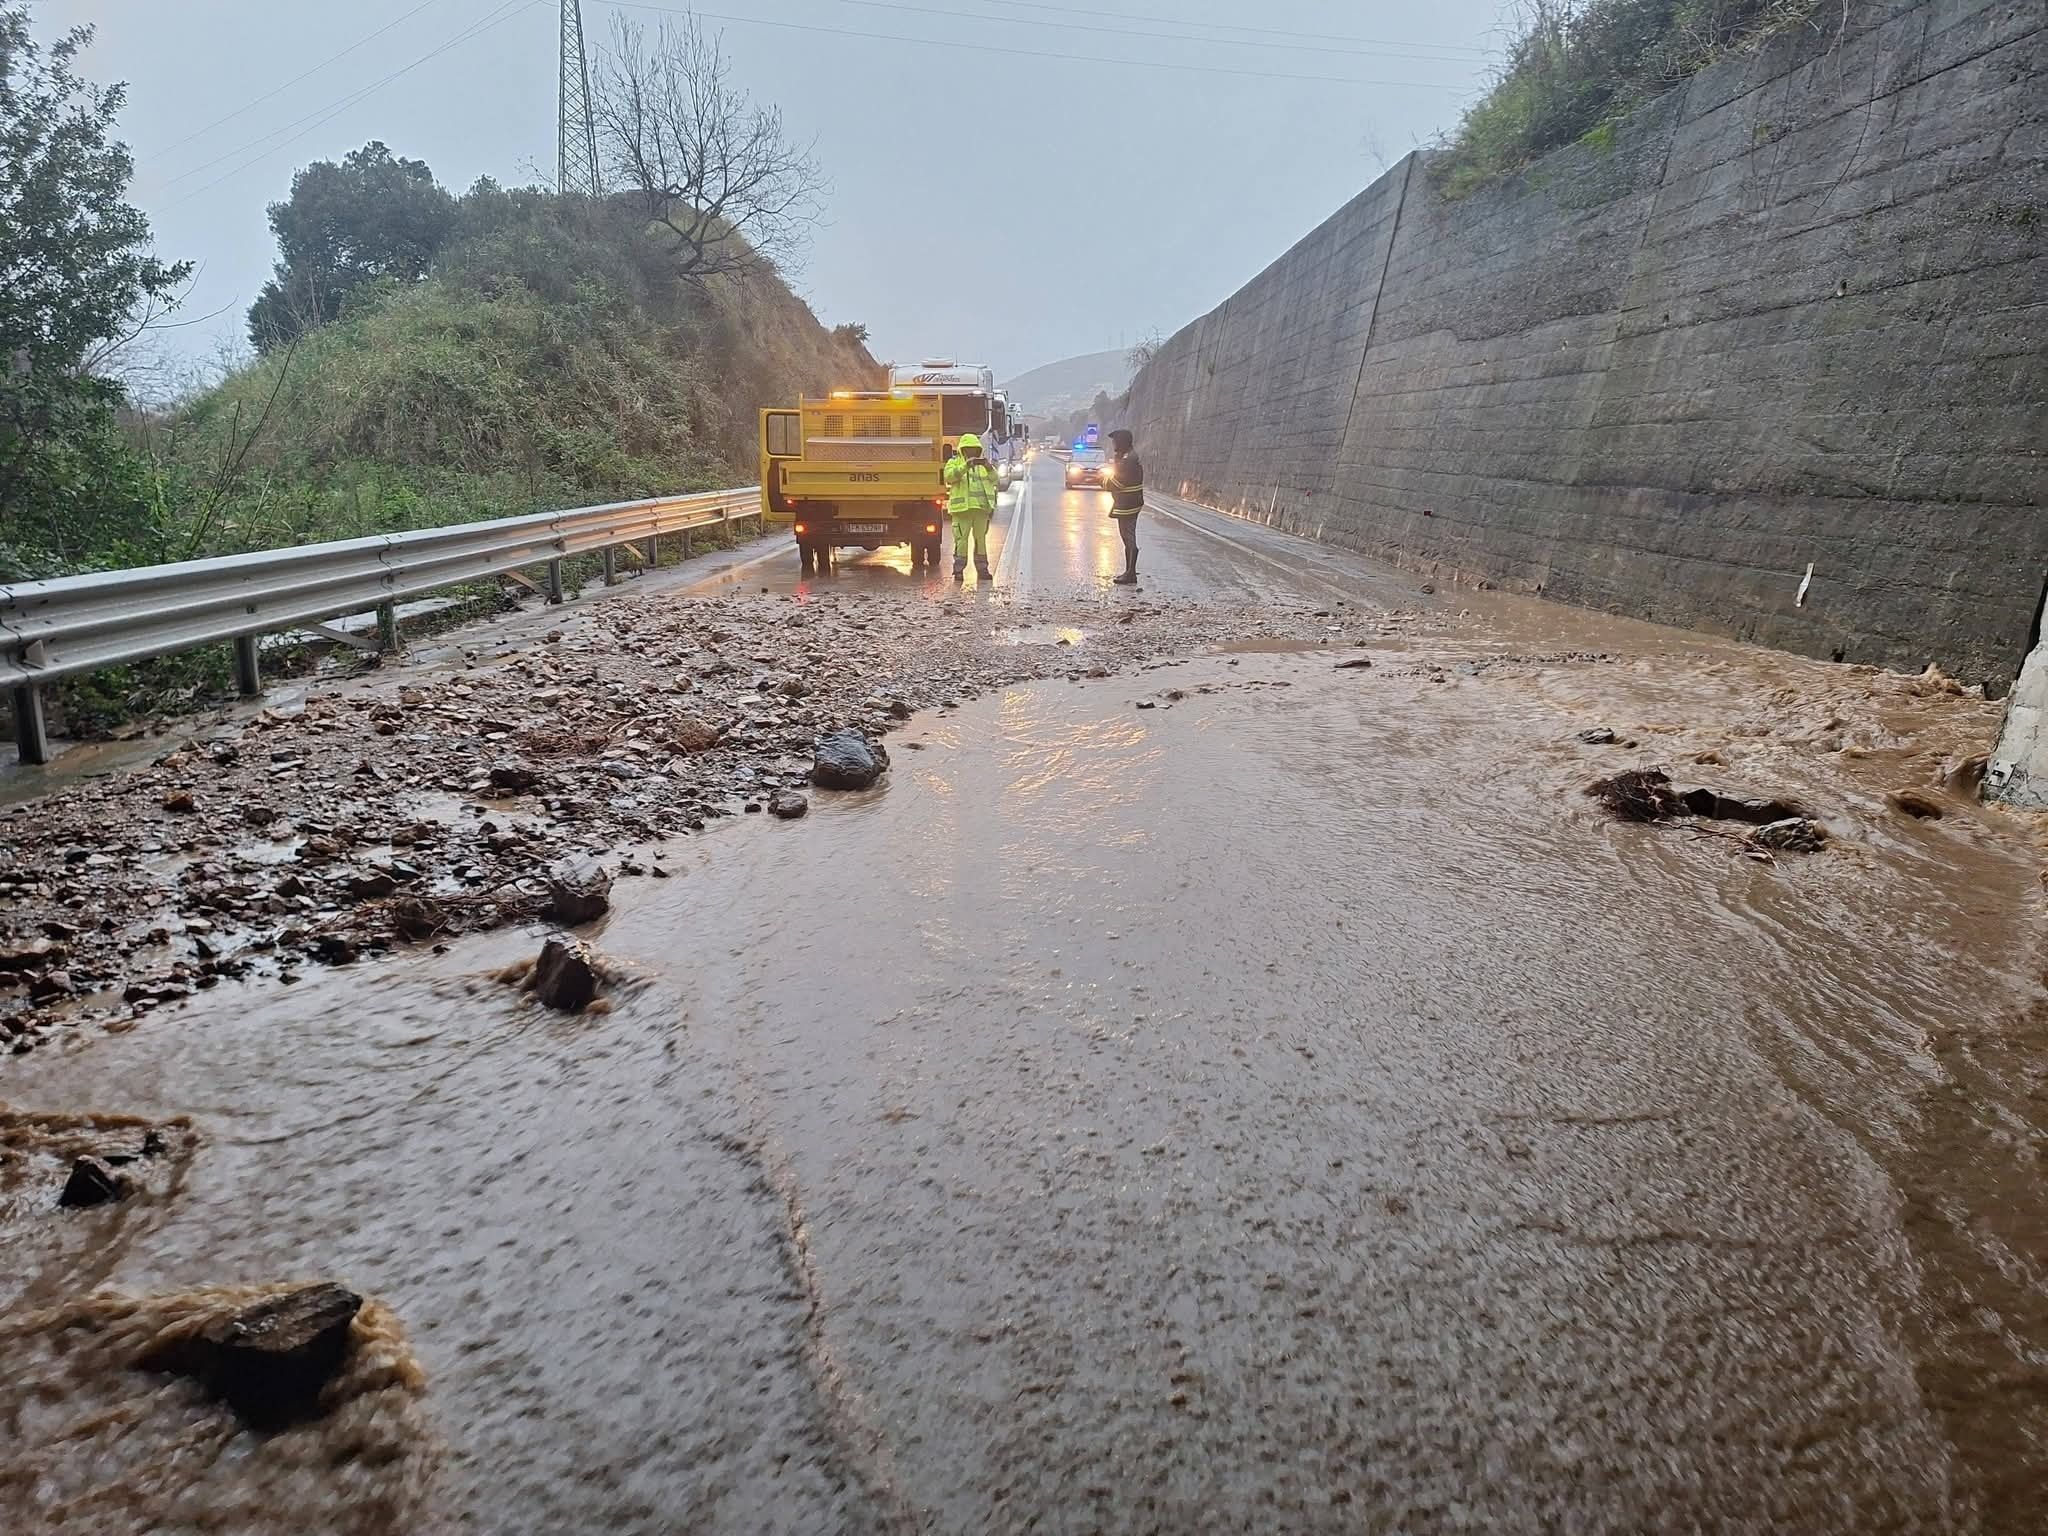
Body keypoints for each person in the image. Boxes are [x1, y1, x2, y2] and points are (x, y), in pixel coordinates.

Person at [944, 431, 999, 582]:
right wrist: (965, 466)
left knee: (980, 541)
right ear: (963, 450)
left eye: (974, 450)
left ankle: (982, 570)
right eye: (968, 450)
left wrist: (988, 467)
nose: (972, 453)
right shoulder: (954, 463)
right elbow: (949, 477)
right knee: (961, 541)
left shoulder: (983, 466)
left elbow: (995, 480)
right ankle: (959, 570)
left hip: (981, 510)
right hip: (962, 510)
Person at [1103, 427, 1143, 585]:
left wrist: (1102, 481)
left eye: (1115, 441)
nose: (1113, 444)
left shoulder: (1128, 460)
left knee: (1128, 537)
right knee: (1127, 537)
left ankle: (1130, 574)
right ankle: (1129, 572)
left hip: (1128, 504)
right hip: (1127, 503)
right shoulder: (1126, 457)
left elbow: (1117, 482)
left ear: (1122, 442)